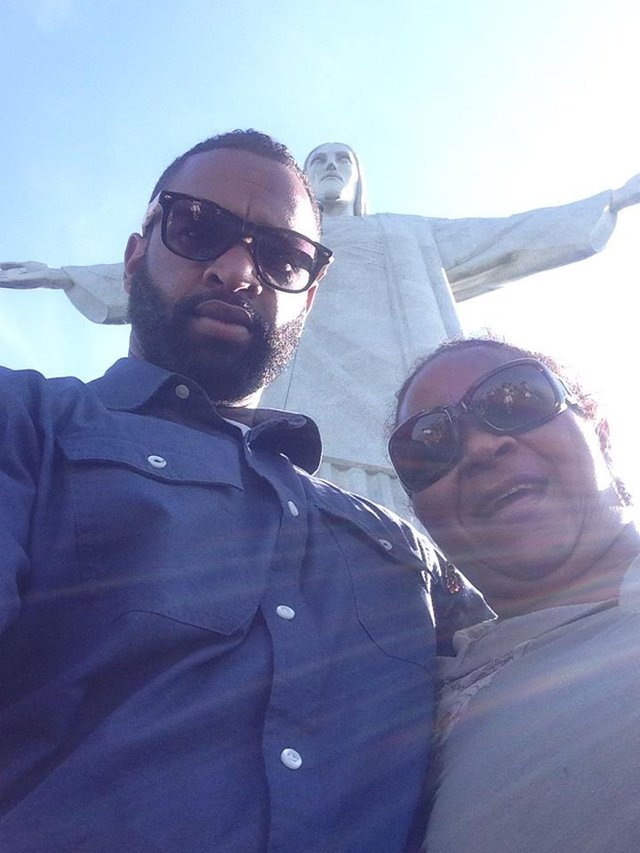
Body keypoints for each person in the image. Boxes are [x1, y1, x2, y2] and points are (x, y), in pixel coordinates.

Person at [0, 130, 492, 853]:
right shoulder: (32, 426)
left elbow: (543, 662)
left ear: (312, 293)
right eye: (198, 229)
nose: (236, 271)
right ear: (136, 254)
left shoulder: (401, 550)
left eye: (284, 256)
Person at [259, 142, 640, 513]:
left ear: (359, 179)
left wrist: (609, 201)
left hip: (405, 406)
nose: (331, 165)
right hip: (299, 405)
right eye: (319, 159)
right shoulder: (277, 244)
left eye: (343, 159)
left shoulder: (403, 233)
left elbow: (503, 235)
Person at [388, 335, 640, 852]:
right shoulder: (403, 695)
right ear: (423, 516)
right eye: (429, 444)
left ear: (602, 433)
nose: (480, 447)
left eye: (517, 399)